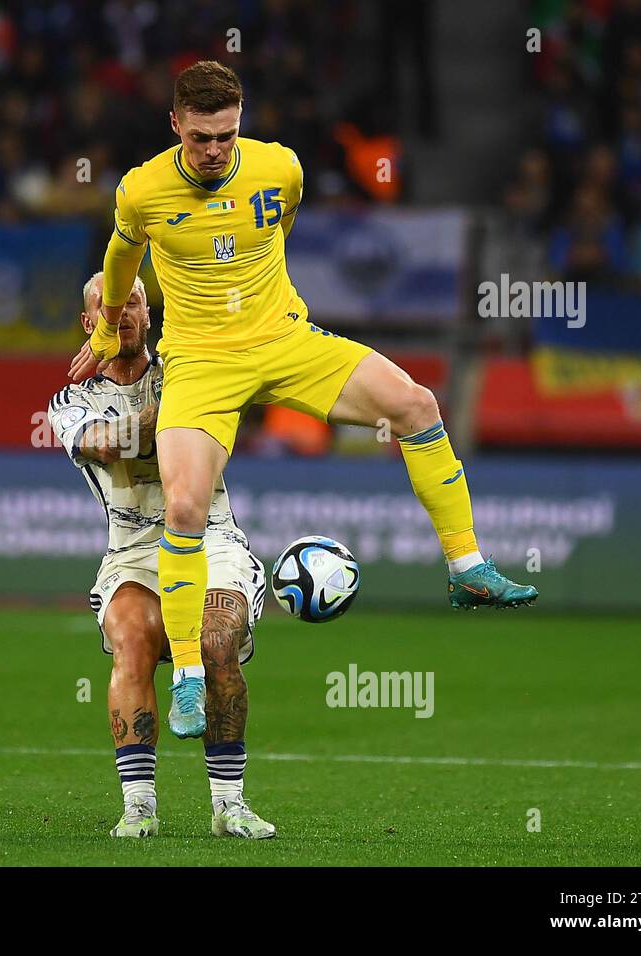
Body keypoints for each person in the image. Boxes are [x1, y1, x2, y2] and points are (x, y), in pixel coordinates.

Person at [69, 60, 537, 740]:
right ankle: (191, 680)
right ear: (175, 125)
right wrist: (111, 327)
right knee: (184, 506)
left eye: (226, 136)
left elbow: (275, 226)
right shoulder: (142, 189)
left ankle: (466, 567)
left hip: (285, 339)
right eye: (200, 137)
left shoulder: (280, 169)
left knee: (417, 404)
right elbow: (120, 258)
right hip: (200, 362)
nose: (213, 151)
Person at [49, 271, 274, 840]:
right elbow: (107, 442)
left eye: (133, 304)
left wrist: (193, 387)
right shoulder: (72, 402)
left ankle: (229, 806)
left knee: (217, 638)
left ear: (150, 316)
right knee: (132, 641)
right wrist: (179, 407)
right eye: (108, 307)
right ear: (89, 324)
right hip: (132, 552)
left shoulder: (185, 373)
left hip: (210, 538)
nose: (121, 313)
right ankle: (140, 806)